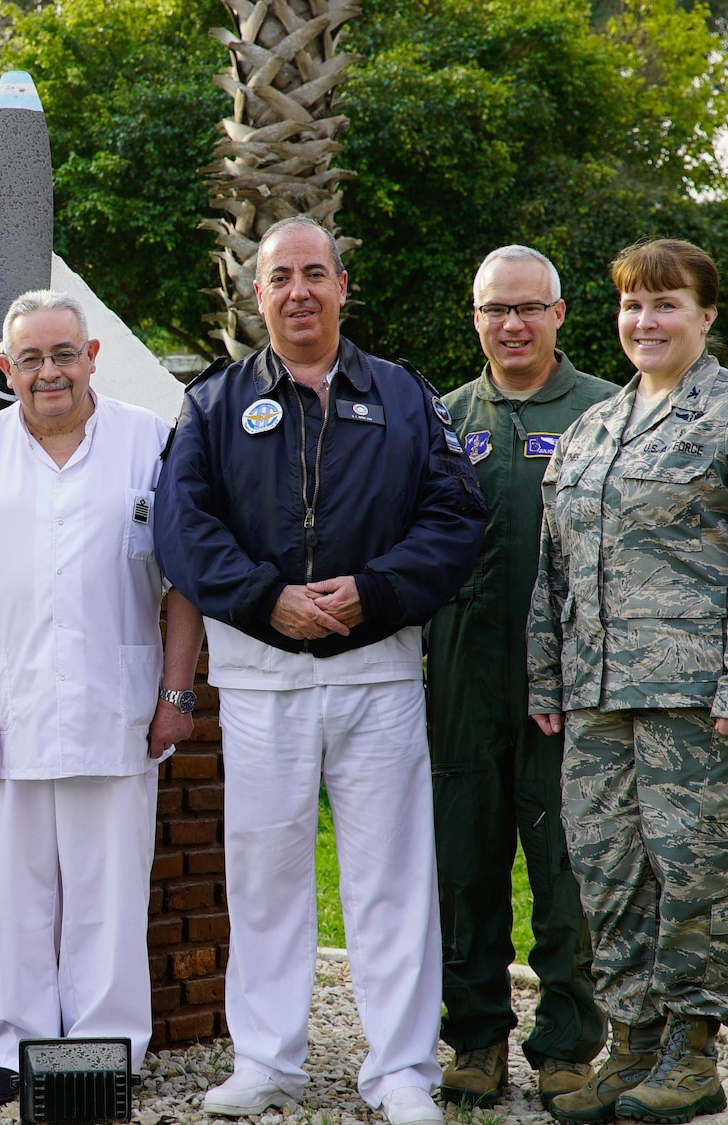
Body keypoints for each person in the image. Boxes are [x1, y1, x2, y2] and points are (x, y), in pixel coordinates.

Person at [153, 216, 487, 1124]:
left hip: (376, 670)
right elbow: (182, 529)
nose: (298, 291)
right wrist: (269, 599)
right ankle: (266, 1061)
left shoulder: (409, 397)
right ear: (255, 294)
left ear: (343, 286)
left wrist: (374, 591)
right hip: (263, 678)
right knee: (263, 874)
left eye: (315, 273)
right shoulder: (214, 403)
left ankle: (402, 1071)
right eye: (279, 277)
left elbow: (456, 519)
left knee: (390, 872)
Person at [529, 239, 728, 1124]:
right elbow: (555, 565)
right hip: (597, 696)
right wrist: (547, 677)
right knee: (610, 874)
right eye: (631, 305)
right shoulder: (593, 428)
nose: (645, 321)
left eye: (665, 304)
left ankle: (693, 1052)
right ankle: (631, 1045)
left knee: (697, 875)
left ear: (705, 316)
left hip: (705, 702)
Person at [0, 290, 203, 1107]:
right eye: (29, 358)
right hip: (9, 714)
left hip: (120, 709)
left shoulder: (150, 442)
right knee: (17, 893)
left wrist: (177, 691)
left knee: (111, 890)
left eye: (64, 353)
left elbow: (186, 583)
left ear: (92, 355)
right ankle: (17, 1045)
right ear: (6, 367)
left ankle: (110, 1050)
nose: (49, 371)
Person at [429, 246, 616, 1110]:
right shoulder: (441, 419)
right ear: (474, 318)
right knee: (463, 865)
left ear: (559, 314)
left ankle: (568, 1042)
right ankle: (474, 1037)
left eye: (527, 308)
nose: (511, 324)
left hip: (565, 684)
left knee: (565, 869)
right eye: (494, 309)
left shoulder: (607, 414)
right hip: (461, 677)